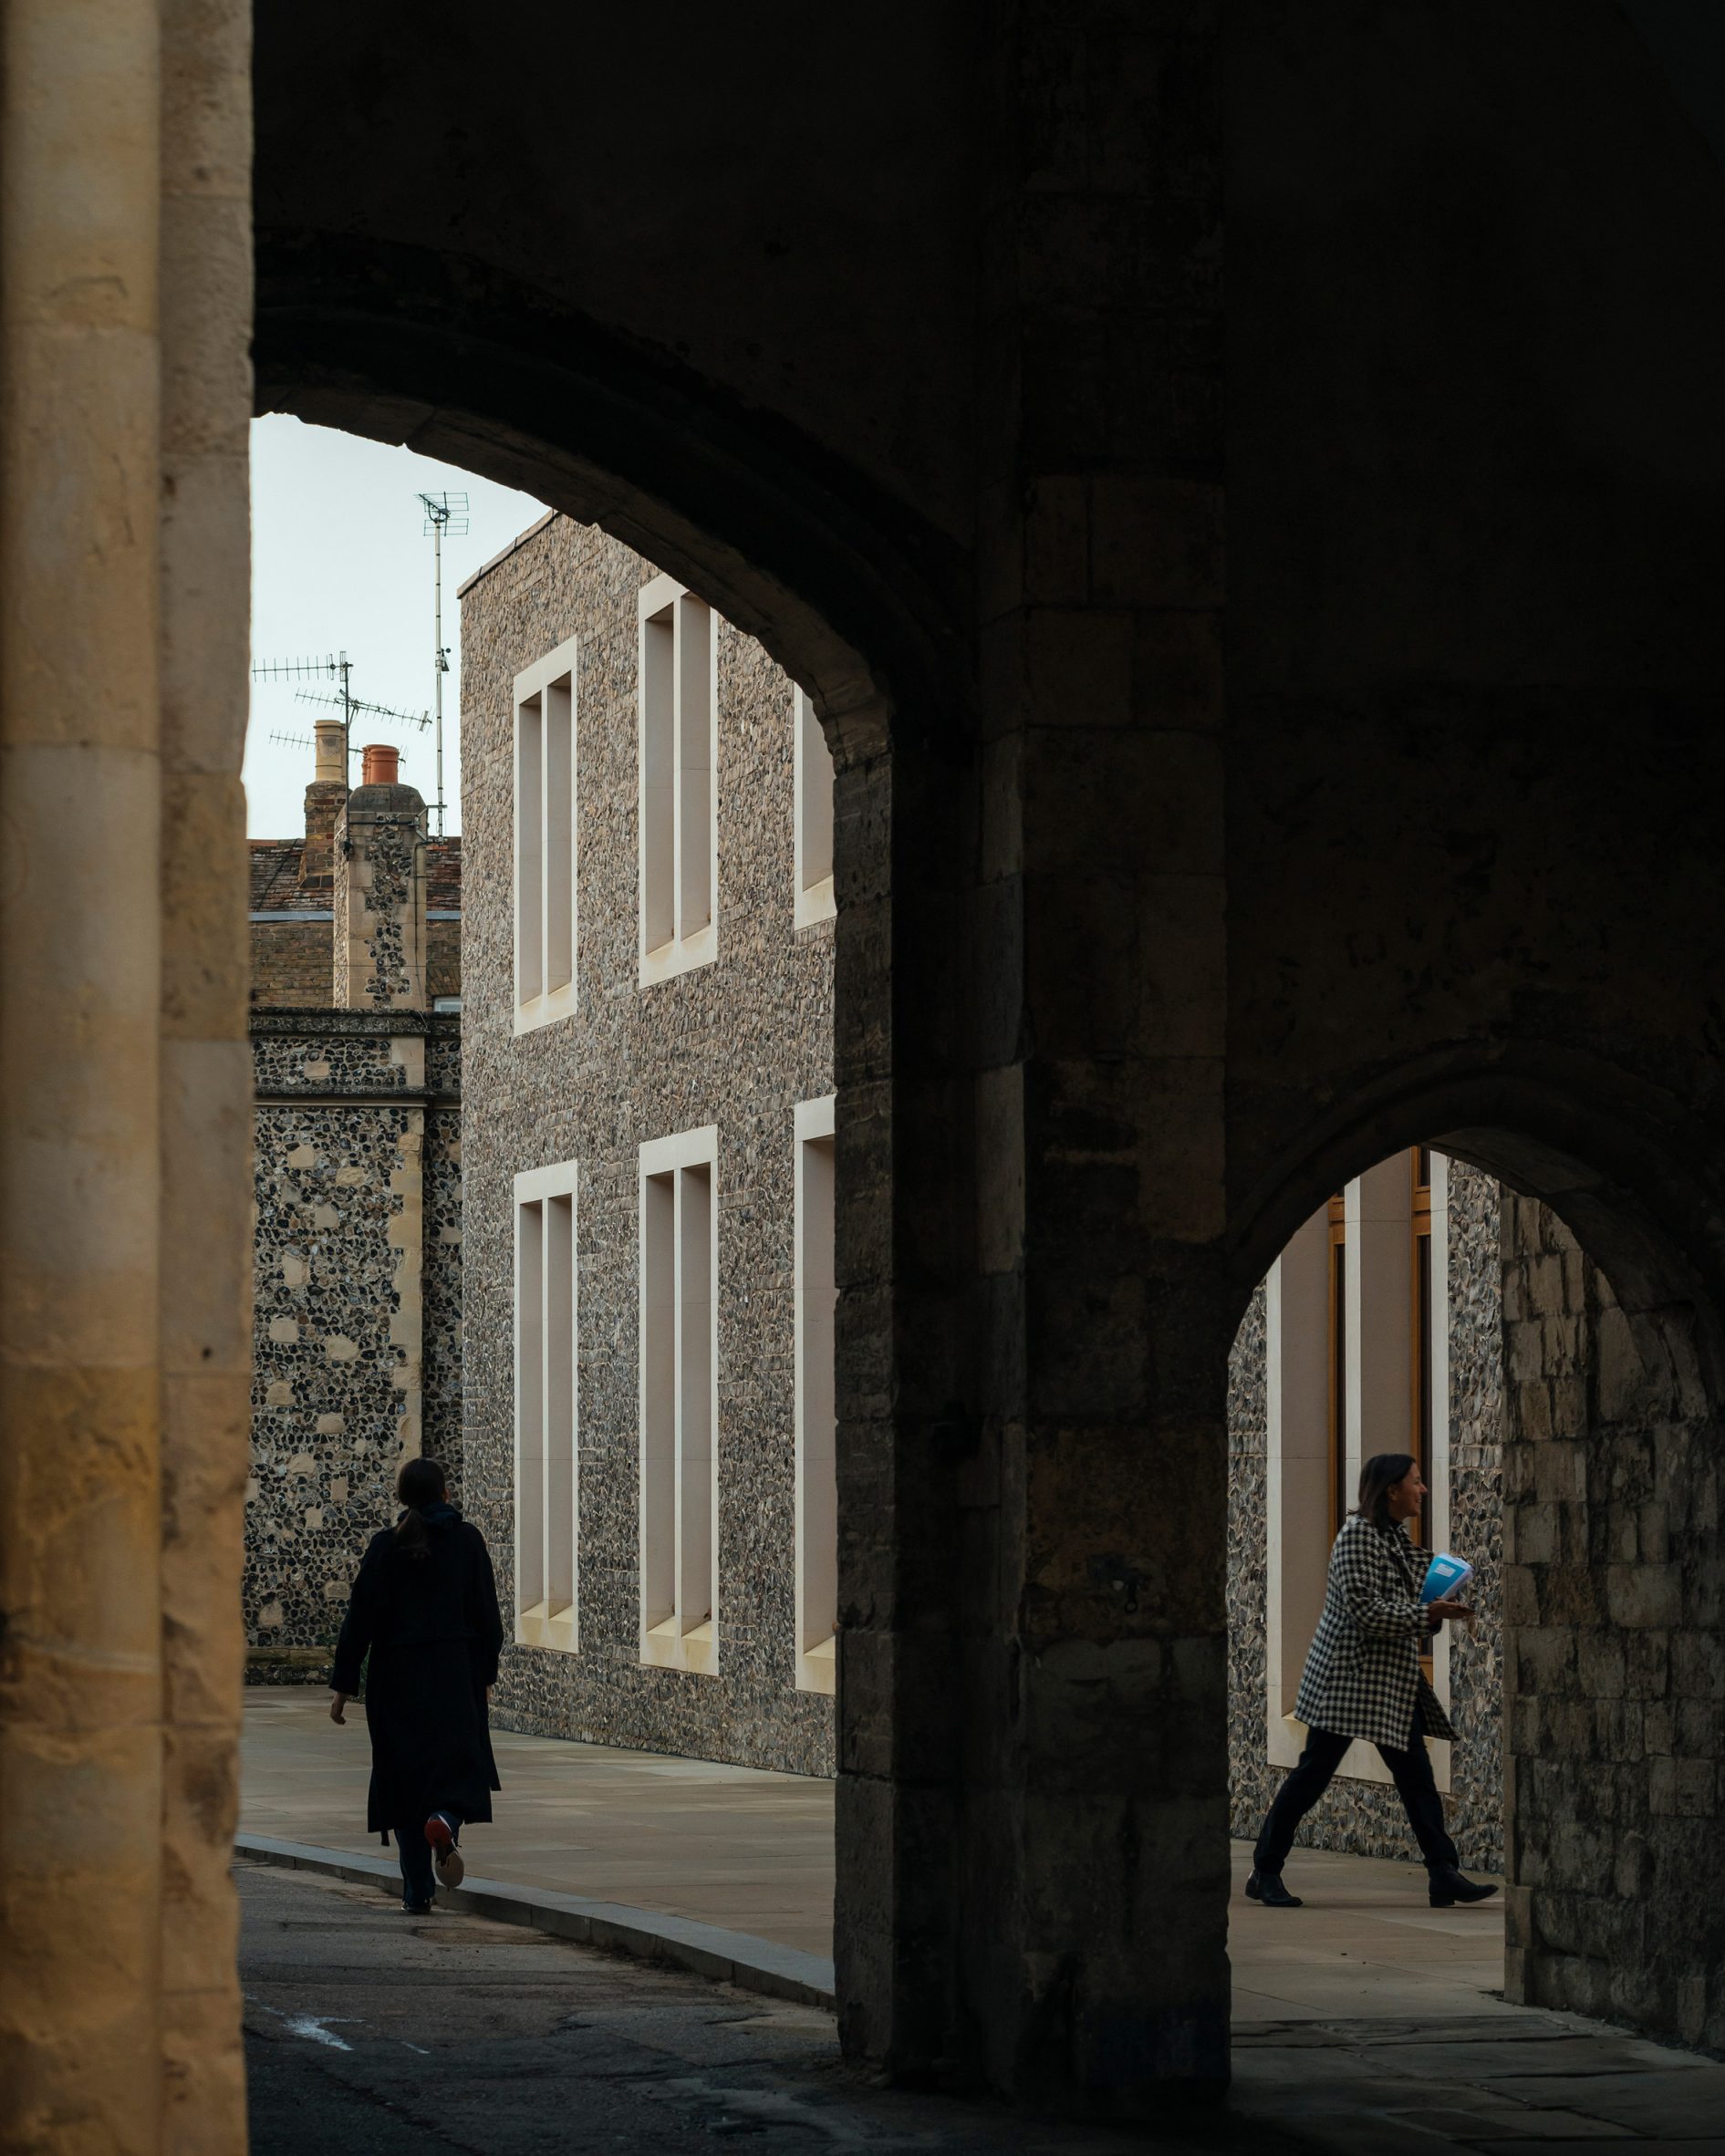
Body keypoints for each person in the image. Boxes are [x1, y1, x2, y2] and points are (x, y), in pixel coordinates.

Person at [1246, 1451, 1499, 1912]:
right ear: (1391, 1490)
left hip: (1387, 1686)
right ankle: (1264, 1871)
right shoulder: (1356, 1539)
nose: (1423, 1490)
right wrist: (1429, 1613)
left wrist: (1451, 1587)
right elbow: (1368, 1612)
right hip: (1346, 1683)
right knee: (1310, 1777)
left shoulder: (1391, 1537)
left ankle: (1443, 1873)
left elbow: (1423, 1573)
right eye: (1416, 1482)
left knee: (1417, 1778)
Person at [329, 1456, 504, 1913]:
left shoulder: (385, 1546)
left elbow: (359, 1619)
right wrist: (484, 1674)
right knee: (461, 1768)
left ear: (402, 1498)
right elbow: (489, 1618)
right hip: (453, 1673)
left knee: (402, 1779)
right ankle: (444, 1819)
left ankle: (416, 1890)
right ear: (445, 1493)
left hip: (396, 1679)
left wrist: (343, 1685)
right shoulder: (467, 1542)